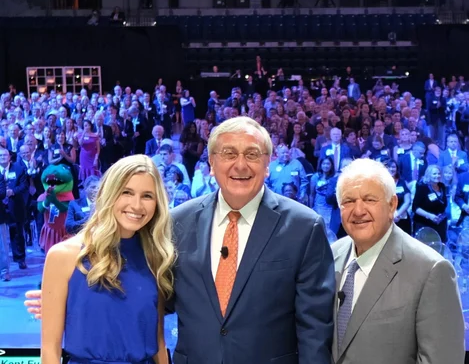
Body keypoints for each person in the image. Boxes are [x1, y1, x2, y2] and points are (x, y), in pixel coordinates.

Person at [27, 117, 335, 364]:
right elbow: (163, 297)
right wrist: (68, 299)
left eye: (252, 154)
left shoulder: (304, 226)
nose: (240, 165)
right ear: (211, 164)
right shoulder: (179, 223)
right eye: (228, 154)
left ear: (268, 163)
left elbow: (314, 329)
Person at [40, 155, 174, 364]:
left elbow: (159, 342)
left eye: (147, 196)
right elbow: (50, 349)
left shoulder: (155, 256)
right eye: (126, 192)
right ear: (108, 194)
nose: (137, 205)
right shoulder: (64, 255)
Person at [331, 158, 464, 364]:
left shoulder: (432, 270)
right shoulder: (332, 255)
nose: (358, 211)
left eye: (369, 199)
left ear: (392, 205)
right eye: (348, 201)